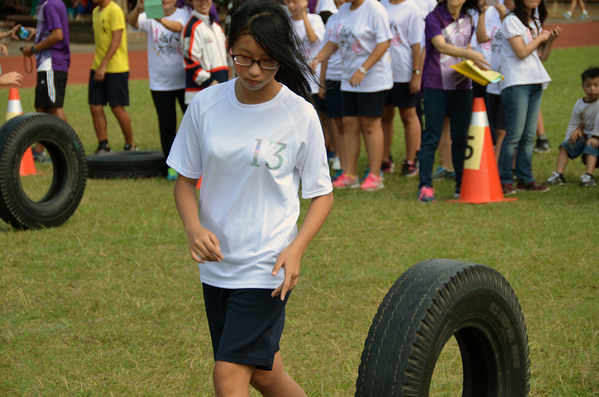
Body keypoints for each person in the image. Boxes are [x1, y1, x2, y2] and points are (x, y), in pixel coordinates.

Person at [167, 0, 334, 396]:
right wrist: (193, 228)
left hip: (267, 267)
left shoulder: (299, 114)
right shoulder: (207, 104)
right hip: (217, 265)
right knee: (263, 372)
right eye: (243, 58)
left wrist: (296, 249)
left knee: (228, 375)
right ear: (229, 48)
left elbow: (322, 196)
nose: (254, 70)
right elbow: (185, 181)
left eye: (267, 60)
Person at [312, 0, 393, 191]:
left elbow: (384, 42)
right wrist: (317, 59)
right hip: (348, 77)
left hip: (372, 77)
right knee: (349, 123)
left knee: (370, 125)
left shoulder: (374, 8)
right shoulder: (343, 12)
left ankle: (375, 175)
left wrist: (363, 69)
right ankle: (350, 174)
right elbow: (334, 42)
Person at [416, 0, 489, 203]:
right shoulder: (434, 17)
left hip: (462, 86)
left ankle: (461, 185)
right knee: (431, 136)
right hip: (435, 85)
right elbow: (441, 46)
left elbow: (465, 47)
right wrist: (469, 53)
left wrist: (477, 65)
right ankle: (425, 187)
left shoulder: (469, 18)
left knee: (461, 138)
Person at [497, 0, 560, 195]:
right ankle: (505, 180)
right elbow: (522, 52)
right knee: (514, 135)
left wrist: (549, 40)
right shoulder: (511, 20)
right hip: (516, 82)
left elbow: (541, 56)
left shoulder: (535, 20)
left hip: (535, 80)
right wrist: (541, 38)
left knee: (529, 136)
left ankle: (526, 179)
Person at [128, 0, 190, 179]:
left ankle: (191, 163)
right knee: (167, 126)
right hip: (160, 84)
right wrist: (138, 9)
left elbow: (179, 28)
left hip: (184, 81)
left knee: (190, 124)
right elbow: (132, 22)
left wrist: (159, 19)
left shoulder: (183, 14)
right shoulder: (150, 14)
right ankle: (171, 166)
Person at [12, 0, 70, 162]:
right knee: (42, 106)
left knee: (54, 106)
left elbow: (58, 34)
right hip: (48, 63)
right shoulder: (49, 3)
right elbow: (51, 29)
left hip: (51, 62)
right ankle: (39, 149)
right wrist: (34, 32)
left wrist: (34, 48)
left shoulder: (49, 5)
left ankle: (70, 148)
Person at [381, 0, 423, 178]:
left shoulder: (412, 9)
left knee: (408, 115)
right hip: (382, 72)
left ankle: (411, 160)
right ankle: (384, 160)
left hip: (404, 71)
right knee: (385, 115)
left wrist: (416, 73)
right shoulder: (380, 5)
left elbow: (417, 45)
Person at [89, 0, 136, 154]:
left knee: (117, 107)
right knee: (95, 106)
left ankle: (130, 144)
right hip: (98, 66)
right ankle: (103, 144)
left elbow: (117, 40)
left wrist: (104, 65)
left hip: (116, 68)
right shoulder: (95, 12)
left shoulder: (115, 10)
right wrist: (100, 65)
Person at [544, 67, 599, 187]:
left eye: (596, 85)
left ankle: (589, 176)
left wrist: (595, 136)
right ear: (582, 86)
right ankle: (559, 175)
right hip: (586, 136)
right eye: (588, 85)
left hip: (595, 138)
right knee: (565, 146)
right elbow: (573, 124)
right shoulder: (579, 104)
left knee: (592, 143)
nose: (592, 89)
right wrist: (570, 140)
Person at [477, 0, 509, 160]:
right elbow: (482, 37)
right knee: (497, 128)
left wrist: (505, 17)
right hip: (493, 82)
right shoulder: (494, 17)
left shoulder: (513, 18)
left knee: (504, 130)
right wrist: (482, 13)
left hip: (509, 81)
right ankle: (506, 165)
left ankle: (499, 168)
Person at [182, 0, 228, 106]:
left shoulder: (216, 26)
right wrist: (211, 82)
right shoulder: (191, 27)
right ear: (191, 2)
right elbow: (189, 63)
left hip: (220, 91)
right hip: (202, 95)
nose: (203, 1)